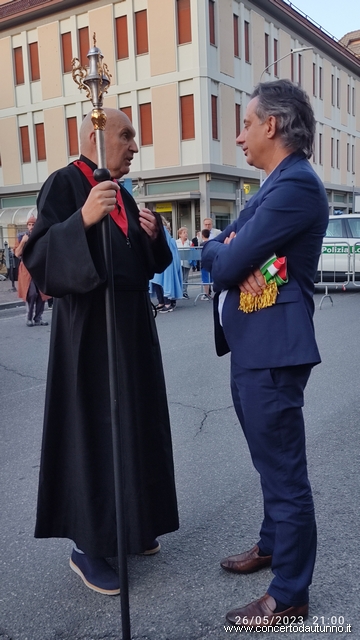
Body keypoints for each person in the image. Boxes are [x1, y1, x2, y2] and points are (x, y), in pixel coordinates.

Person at [23, 108, 179, 595]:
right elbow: (40, 258)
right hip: (88, 336)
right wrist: (83, 219)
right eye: (126, 135)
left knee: (136, 424)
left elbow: (144, 265)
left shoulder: (126, 196)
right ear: (96, 135)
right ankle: (87, 547)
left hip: (132, 332)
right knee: (93, 432)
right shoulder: (64, 184)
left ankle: (133, 525)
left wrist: (153, 240)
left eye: (134, 137)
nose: (135, 145)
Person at [202, 79, 329, 627]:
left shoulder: (295, 185)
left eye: (246, 124)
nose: (240, 136)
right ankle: (272, 546)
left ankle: (290, 592)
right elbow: (220, 245)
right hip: (256, 343)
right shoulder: (274, 183)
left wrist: (226, 253)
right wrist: (223, 248)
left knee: (283, 473)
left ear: (271, 125)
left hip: (274, 349)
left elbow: (226, 264)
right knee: (268, 462)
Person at [14, 215, 49, 327]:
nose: (31, 227)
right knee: (31, 294)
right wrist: (24, 242)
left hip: (39, 268)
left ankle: (38, 318)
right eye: (29, 224)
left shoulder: (41, 235)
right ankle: (29, 318)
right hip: (27, 270)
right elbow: (17, 253)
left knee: (41, 295)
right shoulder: (21, 237)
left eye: (33, 224)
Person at [150, 217, 183, 313]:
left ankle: (167, 303)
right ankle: (162, 302)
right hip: (159, 260)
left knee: (165, 282)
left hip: (165, 261)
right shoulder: (160, 232)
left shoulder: (163, 233)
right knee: (157, 282)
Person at [176, 226, 192, 299]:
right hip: (179, 263)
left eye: (186, 233)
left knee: (185, 278)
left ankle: (184, 292)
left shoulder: (189, 242)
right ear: (180, 234)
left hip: (186, 263)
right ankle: (179, 292)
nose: (186, 234)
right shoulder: (176, 242)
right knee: (179, 278)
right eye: (184, 233)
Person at [199, 228, 211, 300]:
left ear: (202, 235)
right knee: (211, 279)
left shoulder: (202, 244)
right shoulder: (212, 242)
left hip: (204, 263)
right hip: (211, 263)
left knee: (205, 279)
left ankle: (206, 294)